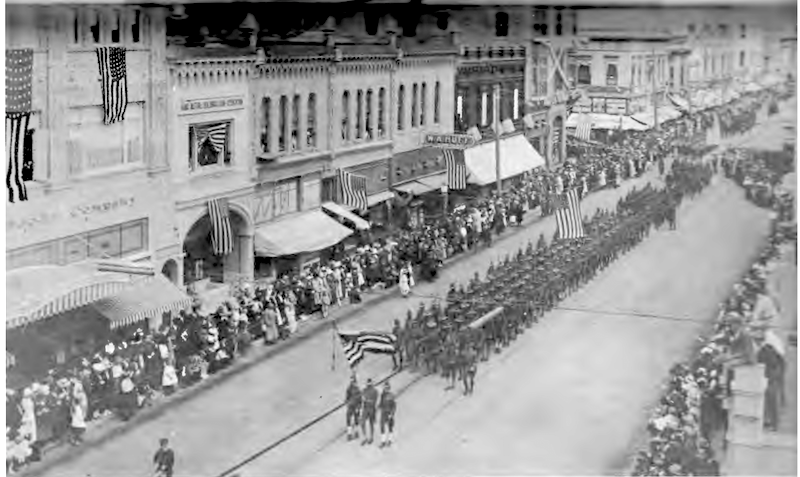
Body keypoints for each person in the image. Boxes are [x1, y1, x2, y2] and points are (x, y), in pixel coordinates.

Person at [378, 382, 397, 448]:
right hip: (383, 413)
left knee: (390, 427)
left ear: (389, 388)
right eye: (385, 387)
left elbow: (394, 406)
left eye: (387, 388)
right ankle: (383, 441)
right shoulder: (382, 394)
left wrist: (391, 414)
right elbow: (381, 403)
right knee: (382, 426)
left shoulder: (391, 395)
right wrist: (379, 406)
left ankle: (390, 440)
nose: (385, 389)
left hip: (389, 413)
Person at [360, 379, 378, 445]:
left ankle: (371, 437)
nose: (368, 385)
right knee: (362, 422)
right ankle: (365, 437)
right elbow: (361, 398)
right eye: (368, 383)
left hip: (371, 409)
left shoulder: (375, 391)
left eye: (370, 384)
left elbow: (374, 401)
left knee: (371, 424)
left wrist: (366, 400)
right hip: (365, 409)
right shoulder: (364, 390)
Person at [345, 376, 362, 441]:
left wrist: (358, 407)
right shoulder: (349, 389)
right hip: (350, 406)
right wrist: (347, 402)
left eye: (353, 381)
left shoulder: (358, 390)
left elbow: (360, 400)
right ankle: (349, 434)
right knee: (348, 419)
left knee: (356, 420)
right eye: (351, 381)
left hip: (356, 406)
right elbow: (347, 397)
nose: (352, 382)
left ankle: (356, 432)